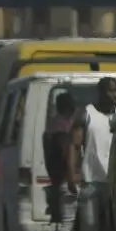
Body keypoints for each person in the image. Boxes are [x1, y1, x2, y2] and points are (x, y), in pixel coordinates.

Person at [69, 78, 116, 231]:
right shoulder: (86, 114)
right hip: (90, 181)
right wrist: (73, 174)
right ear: (100, 92)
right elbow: (74, 145)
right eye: (111, 91)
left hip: (114, 182)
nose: (115, 95)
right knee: (89, 230)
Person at [43, 90, 76, 223]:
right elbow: (66, 150)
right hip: (62, 171)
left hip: (53, 169)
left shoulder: (52, 123)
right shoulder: (62, 125)